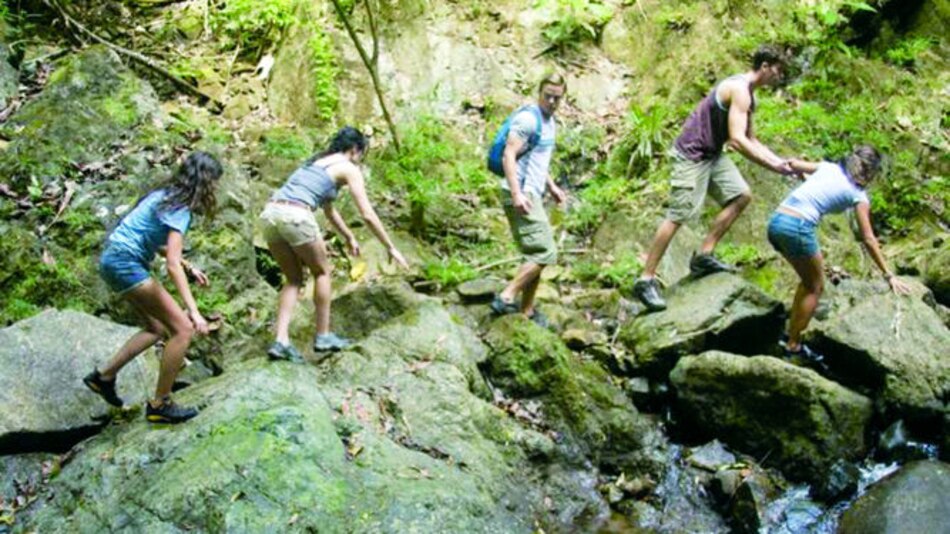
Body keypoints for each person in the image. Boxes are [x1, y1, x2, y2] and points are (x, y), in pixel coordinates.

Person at [633, 45, 795, 312]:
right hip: (692, 154)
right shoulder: (739, 90)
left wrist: (781, 162)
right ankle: (645, 279)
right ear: (764, 67)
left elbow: (752, 139)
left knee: (741, 195)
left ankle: (704, 255)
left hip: (712, 154)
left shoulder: (750, 96)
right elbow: (738, 140)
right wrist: (773, 167)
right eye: (778, 71)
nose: (780, 77)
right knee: (679, 213)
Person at [84, 151, 223, 424]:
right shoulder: (181, 209)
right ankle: (161, 403)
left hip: (112, 260)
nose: (216, 189)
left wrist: (187, 265)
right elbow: (170, 264)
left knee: (157, 328)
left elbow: (152, 241)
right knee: (182, 329)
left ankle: (103, 377)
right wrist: (194, 312)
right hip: (126, 264)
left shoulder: (163, 195)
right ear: (205, 182)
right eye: (214, 183)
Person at [259, 126, 409, 362]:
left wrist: (348, 236)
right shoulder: (348, 167)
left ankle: (281, 341)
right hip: (296, 215)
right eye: (361, 155)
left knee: (294, 279)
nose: (360, 161)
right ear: (354, 150)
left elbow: (329, 211)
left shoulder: (315, 164)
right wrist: (390, 247)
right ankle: (323, 335)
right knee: (323, 272)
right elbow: (367, 214)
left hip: (270, 215)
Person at [768, 145, 911, 360]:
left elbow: (794, 164)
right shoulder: (858, 195)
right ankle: (793, 345)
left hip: (777, 221)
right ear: (870, 172)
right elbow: (869, 239)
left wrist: (803, 176)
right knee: (816, 286)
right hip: (797, 226)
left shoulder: (828, 168)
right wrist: (888, 274)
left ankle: (788, 334)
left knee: (807, 281)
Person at [489, 72, 568, 327]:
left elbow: (535, 158)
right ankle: (507, 296)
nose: (552, 102)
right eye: (548, 96)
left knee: (536, 252)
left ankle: (528, 310)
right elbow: (509, 156)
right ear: (539, 93)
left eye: (557, 98)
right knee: (546, 252)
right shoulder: (527, 119)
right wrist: (516, 195)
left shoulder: (550, 121)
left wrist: (552, 187)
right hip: (520, 193)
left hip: (532, 191)